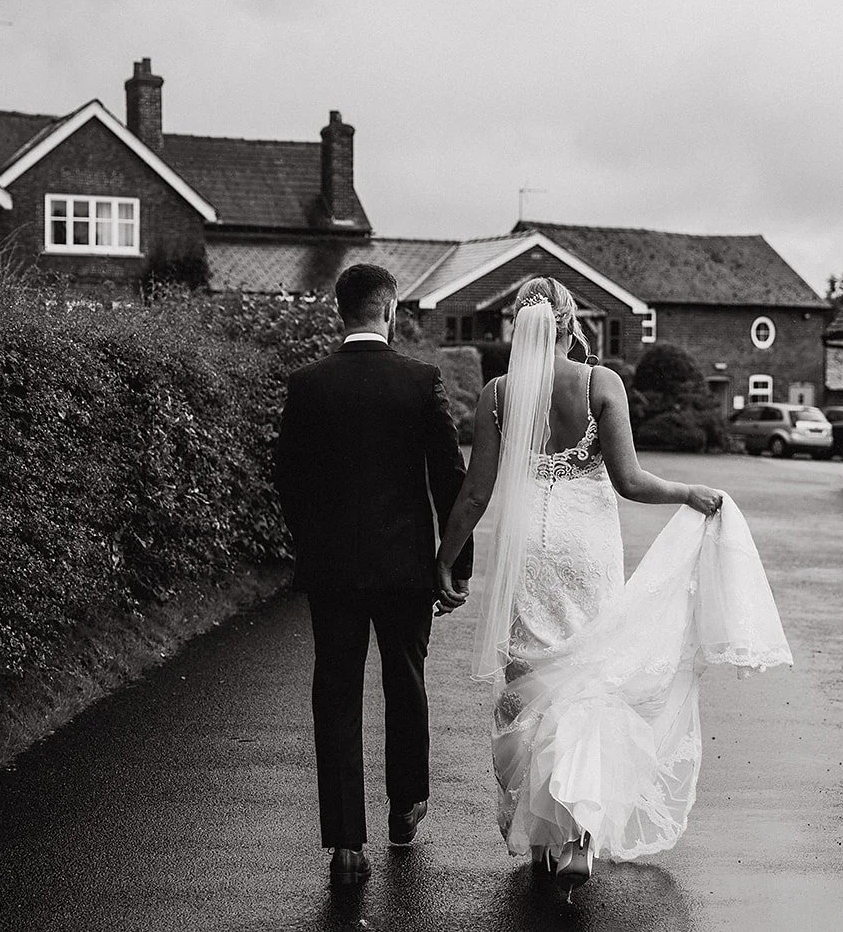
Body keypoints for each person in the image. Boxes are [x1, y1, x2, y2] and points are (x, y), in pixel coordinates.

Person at [433, 276, 791, 898]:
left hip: (529, 548)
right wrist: (687, 492)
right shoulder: (601, 383)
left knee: (530, 682)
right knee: (590, 679)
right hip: (586, 546)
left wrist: (446, 558)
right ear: (570, 322)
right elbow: (628, 480)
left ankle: (541, 838)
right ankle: (579, 837)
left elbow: (475, 493)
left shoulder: (498, 394)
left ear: (520, 326)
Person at [272, 263, 473, 886]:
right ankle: (405, 806)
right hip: (405, 568)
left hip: (331, 570)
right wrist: (454, 564)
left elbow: (287, 478)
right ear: (390, 311)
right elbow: (448, 475)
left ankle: (345, 844)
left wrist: (312, 546)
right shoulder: (419, 381)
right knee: (405, 682)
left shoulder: (308, 384)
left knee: (335, 691)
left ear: (340, 311)